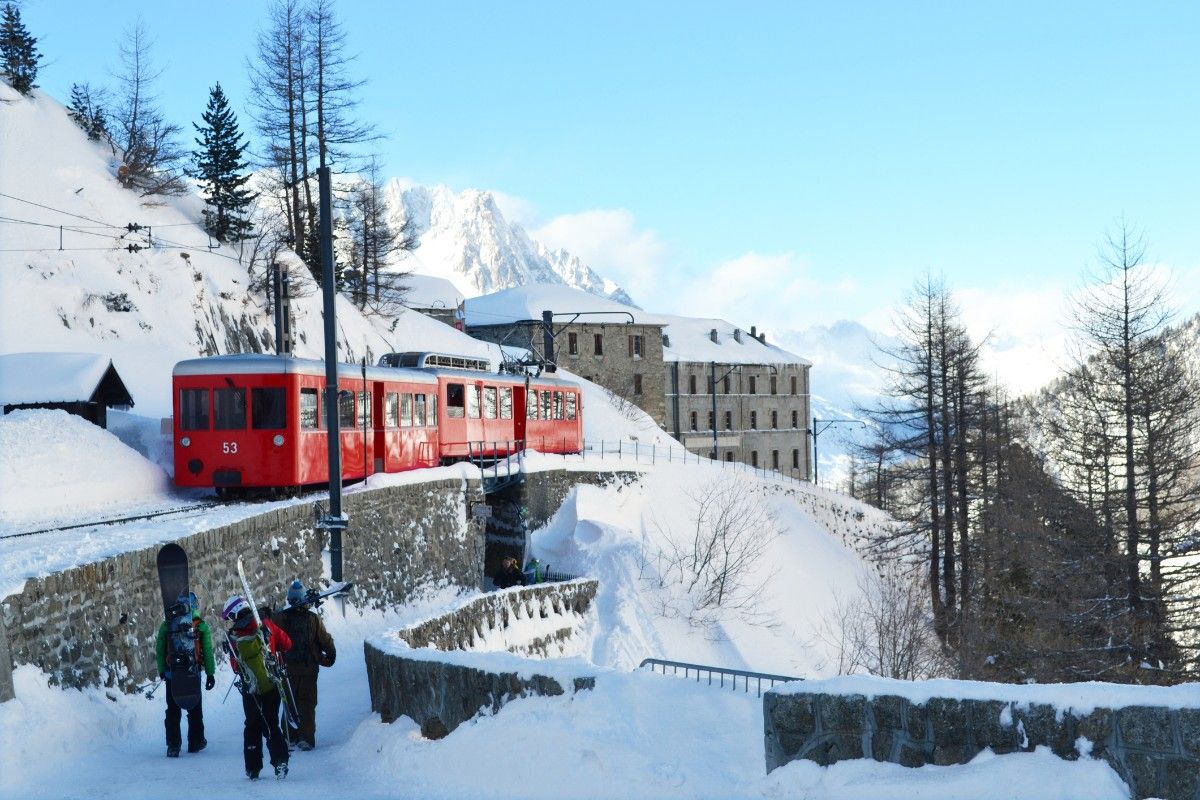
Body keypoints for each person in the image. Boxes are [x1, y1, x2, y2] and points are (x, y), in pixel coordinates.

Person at [222, 594, 292, 780]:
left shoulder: (234, 638)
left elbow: (236, 667)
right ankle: (280, 761)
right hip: (271, 684)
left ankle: (253, 767)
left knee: (252, 726)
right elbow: (287, 643)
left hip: (250, 689)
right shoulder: (265, 626)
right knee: (271, 723)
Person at [273, 579, 337, 751]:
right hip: (309, 669)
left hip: (288, 670)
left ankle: (289, 735)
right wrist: (330, 655)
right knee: (307, 703)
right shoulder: (312, 619)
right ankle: (306, 738)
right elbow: (324, 640)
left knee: (290, 702)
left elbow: (271, 630)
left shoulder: (281, 618)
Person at [154, 591, 216, 758]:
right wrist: (210, 673)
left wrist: (162, 669)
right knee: (194, 706)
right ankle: (196, 741)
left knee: (173, 709)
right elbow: (208, 651)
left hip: (172, 674)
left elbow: (160, 649)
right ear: (194, 605)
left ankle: (173, 745)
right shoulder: (200, 625)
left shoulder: (167, 625)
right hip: (192, 671)